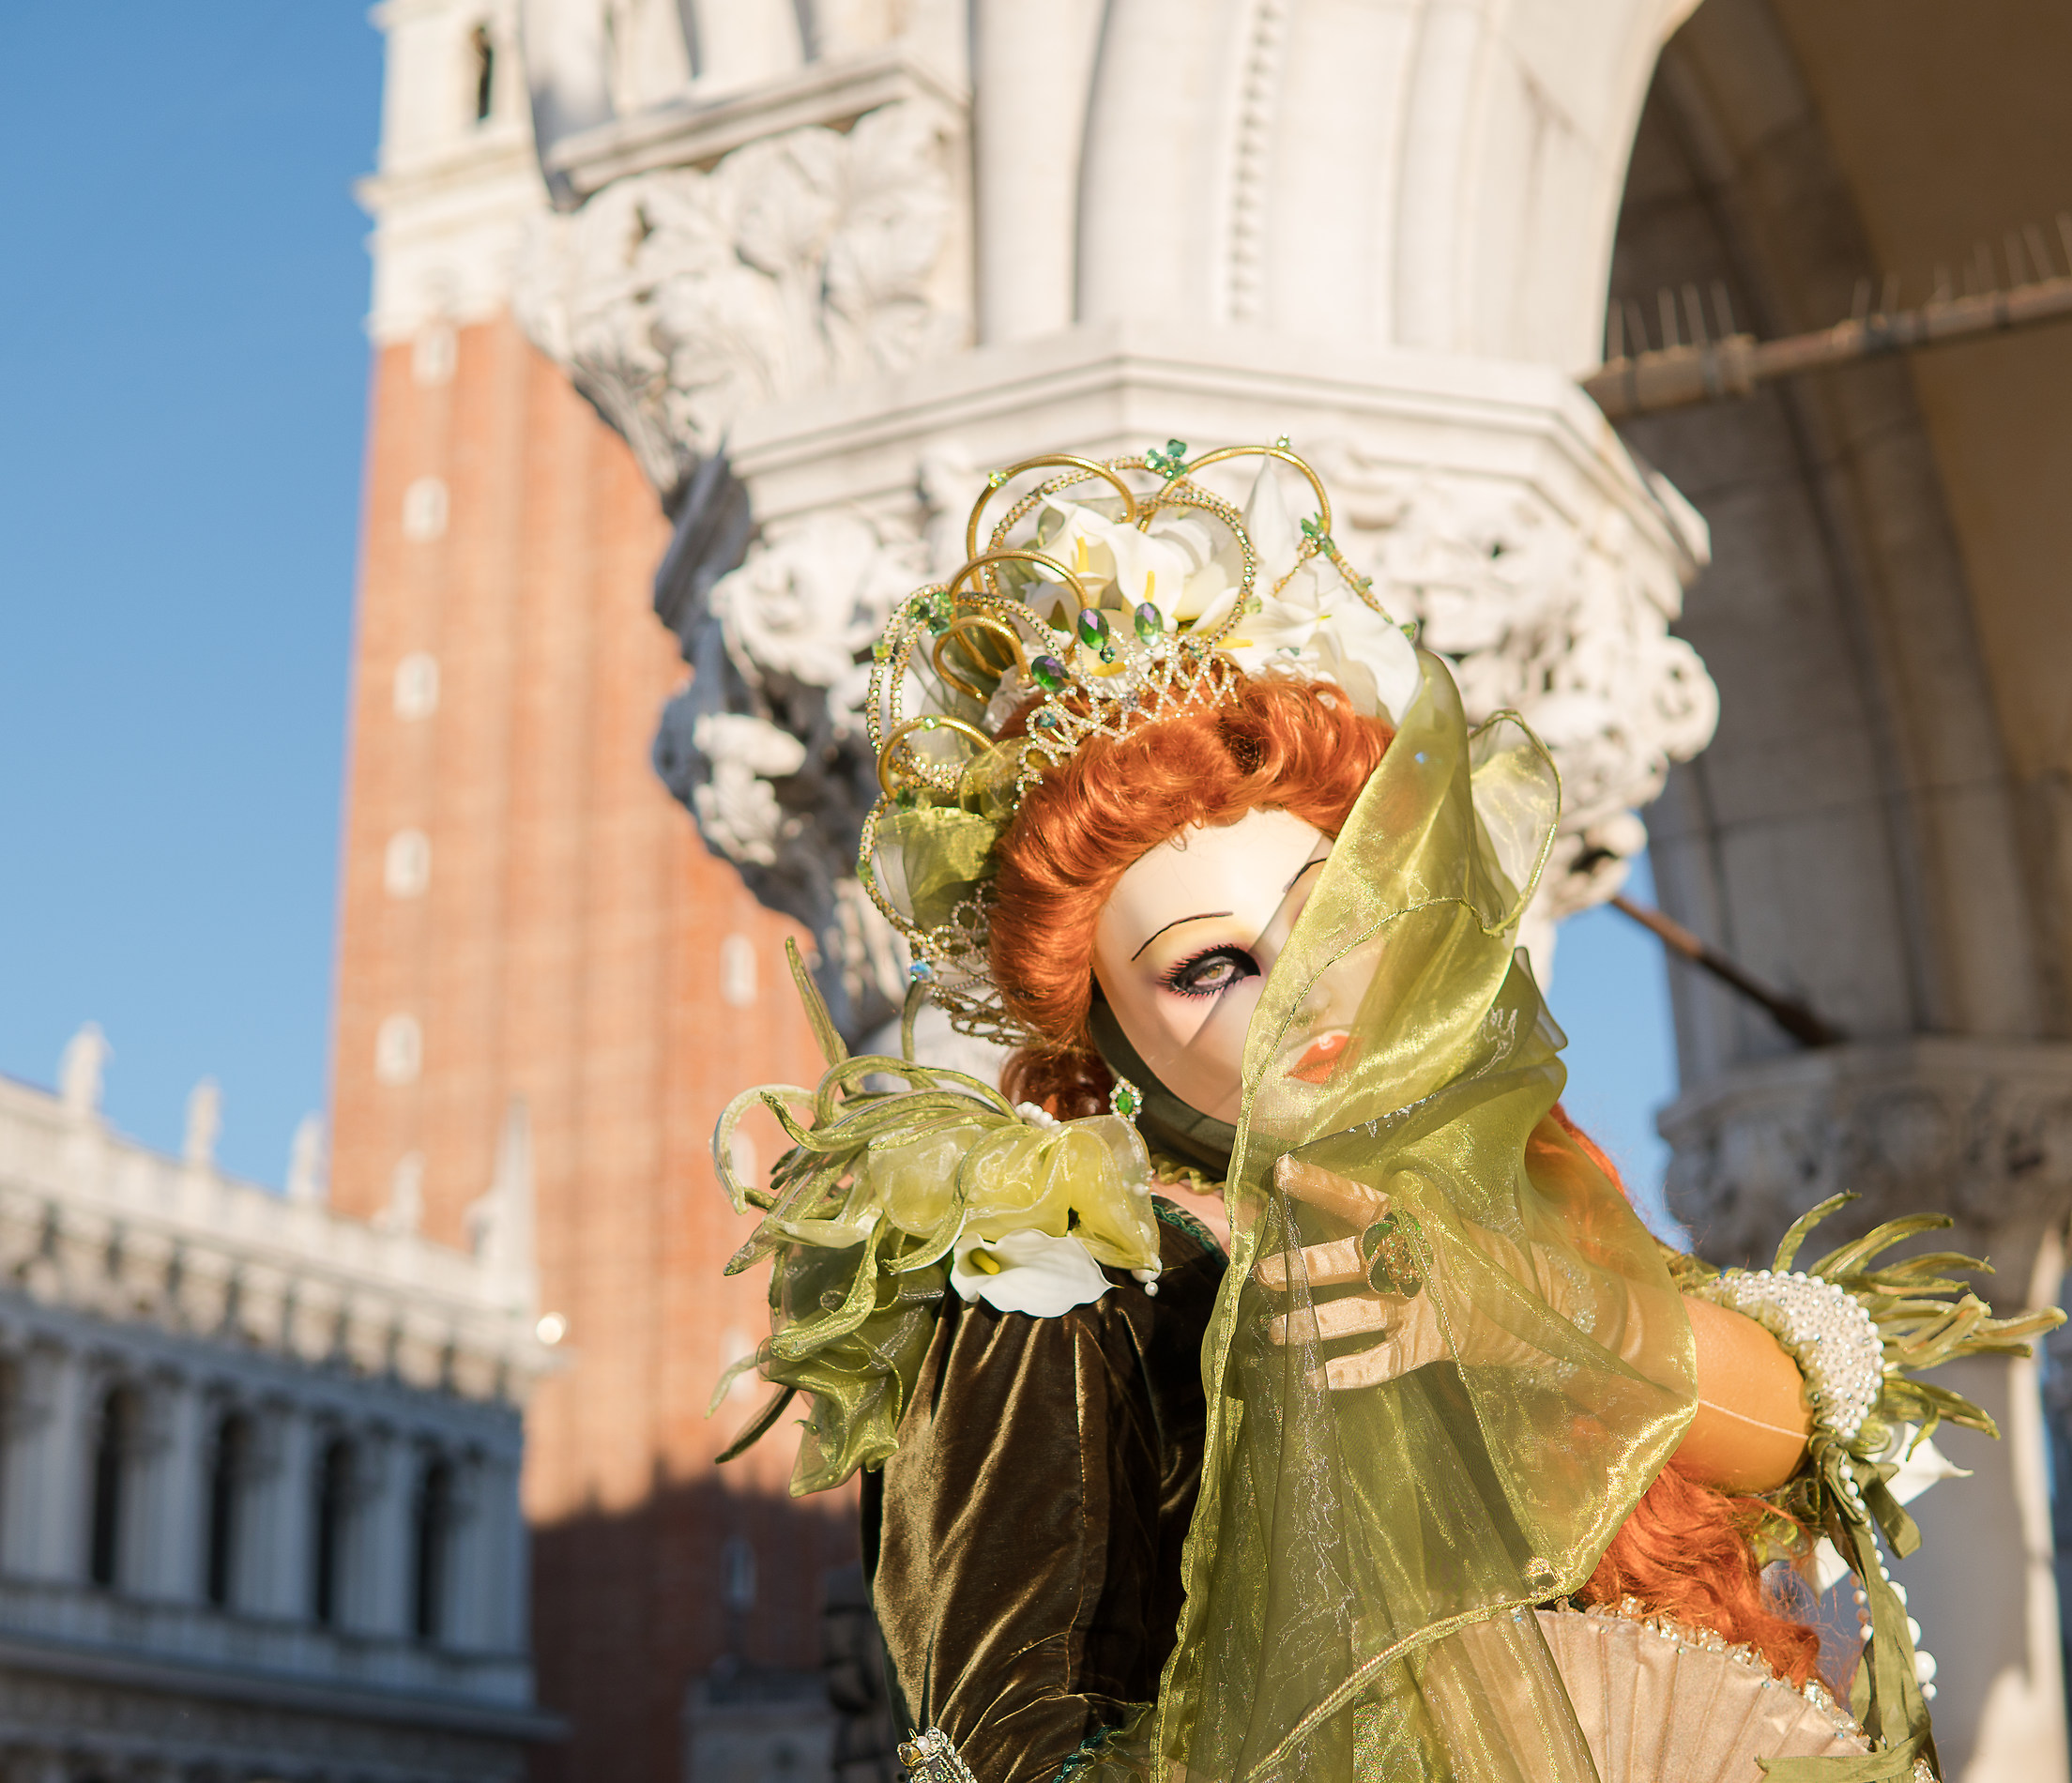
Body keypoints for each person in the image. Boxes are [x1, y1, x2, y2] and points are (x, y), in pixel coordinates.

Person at [710, 445, 2054, 1783]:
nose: (1298, 991)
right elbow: (1003, 1742)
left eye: (1325, 917)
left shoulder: (1517, 1192)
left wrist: (1530, 1315)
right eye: (1209, 965)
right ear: (1107, 1029)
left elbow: (1818, 1425)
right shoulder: (1059, 1278)